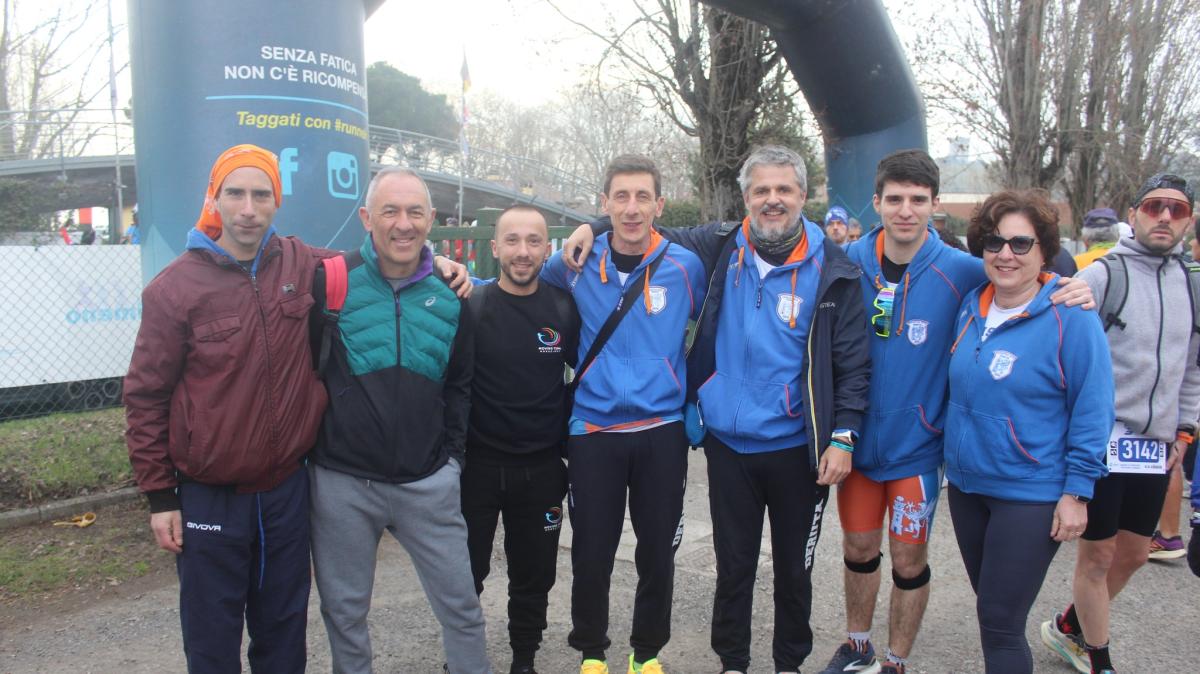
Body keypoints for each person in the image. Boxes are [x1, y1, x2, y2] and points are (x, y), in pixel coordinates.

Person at [562, 145, 872, 674]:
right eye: (761, 190)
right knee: (734, 567)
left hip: (798, 445)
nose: (772, 200)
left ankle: (788, 664)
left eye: (784, 190)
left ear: (803, 196)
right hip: (728, 442)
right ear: (745, 197)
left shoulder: (834, 269)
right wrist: (592, 225)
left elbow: (854, 363)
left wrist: (843, 436)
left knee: (794, 571)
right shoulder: (721, 244)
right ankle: (733, 663)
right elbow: (636, 227)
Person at [822, 150, 1092, 674]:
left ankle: (896, 660)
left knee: (908, 558)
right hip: (855, 445)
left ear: (934, 204)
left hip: (918, 449)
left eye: (917, 199)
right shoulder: (845, 261)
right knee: (858, 547)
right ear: (876, 202)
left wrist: (1073, 286)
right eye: (894, 199)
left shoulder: (963, 270)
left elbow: (1026, 277)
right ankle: (858, 647)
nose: (905, 210)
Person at [124, 143, 328, 672]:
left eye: (261, 194)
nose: (248, 208)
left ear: (277, 201)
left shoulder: (300, 262)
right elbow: (145, 396)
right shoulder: (174, 289)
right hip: (209, 499)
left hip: (285, 493)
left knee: (284, 634)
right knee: (212, 642)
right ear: (213, 198)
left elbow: (373, 263)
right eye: (234, 193)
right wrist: (160, 497)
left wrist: (436, 261)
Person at [307, 166, 490, 674]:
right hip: (343, 482)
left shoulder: (452, 293)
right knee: (344, 613)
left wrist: (452, 461)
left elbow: (460, 385)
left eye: (414, 212)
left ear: (431, 220)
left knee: (462, 608)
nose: (403, 224)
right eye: (390, 211)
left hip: (428, 482)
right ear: (367, 218)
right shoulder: (329, 282)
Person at [540, 154, 706, 674]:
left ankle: (646, 653)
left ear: (659, 204)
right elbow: (518, 285)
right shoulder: (572, 262)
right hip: (594, 428)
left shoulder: (686, 267)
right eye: (621, 197)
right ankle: (592, 652)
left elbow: (712, 324)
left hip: (662, 430)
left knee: (657, 552)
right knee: (592, 551)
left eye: (642, 197)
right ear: (605, 203)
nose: (631, 208)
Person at [948, 189, 1113, 674]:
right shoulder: (971, 306)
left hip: (1029, 493)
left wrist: (1077, 492)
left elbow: (1093, 407)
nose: (1006, 254)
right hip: (967, 488)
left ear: (1044, 251)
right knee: (992, 612)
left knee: (1000, 624)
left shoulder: (1071, 316)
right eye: (994, 242)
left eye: (1021, 244)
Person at [1040, 173, 1200, 674]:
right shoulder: (1104, 274)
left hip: (1154, 445)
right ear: (1134, 215)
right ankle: (1099, 659)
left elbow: (1193, 366)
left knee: (1133, 554)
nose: (1165, 217)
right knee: (1098, 557)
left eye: (1177, 209)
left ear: (1189, 220)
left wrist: (1185, 429)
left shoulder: (1192, 283)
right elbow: (1053, 338)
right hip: (1101, 440)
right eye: (1154, 206)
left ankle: (1070, 624)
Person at [463, 205, 579, 674]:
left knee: (534, 575)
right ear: (495, 248)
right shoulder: (472, 306)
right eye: (512, 240)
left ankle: (524, 659)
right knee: (465, 573)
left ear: (547, 249)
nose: (523, 251)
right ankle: (464, 655)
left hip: (542, 469)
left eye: (533, 241)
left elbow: (587, 374)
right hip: (477, 469)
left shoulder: (563, 310)